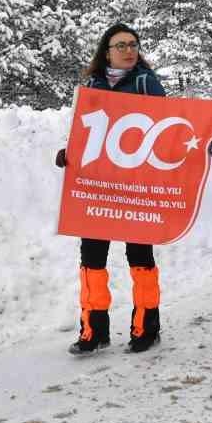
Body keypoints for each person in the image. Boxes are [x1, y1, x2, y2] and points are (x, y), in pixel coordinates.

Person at [61, 24, 168, 355]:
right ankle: (94, 330)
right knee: (92, 259)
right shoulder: (92, 85)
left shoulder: (145, 82)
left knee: (140, 257)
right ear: (106, 52)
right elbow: (86, 132)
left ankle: (146, 328)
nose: (128, 50)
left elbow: (166, 129)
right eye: (120, 45)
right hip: (100, 187)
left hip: (137, 187)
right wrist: (69, 153)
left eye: (133, 45)